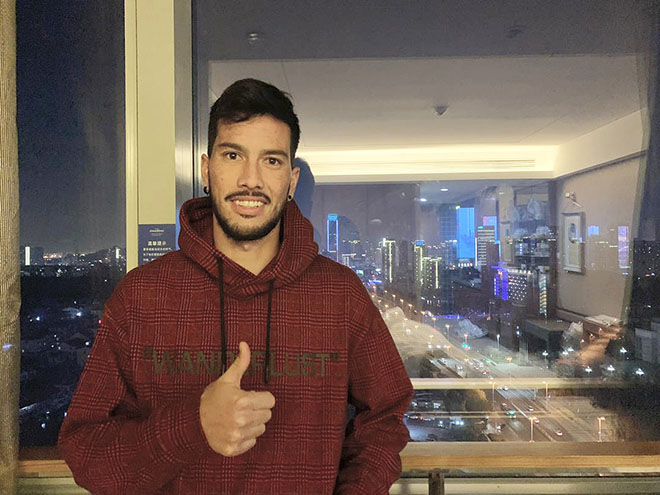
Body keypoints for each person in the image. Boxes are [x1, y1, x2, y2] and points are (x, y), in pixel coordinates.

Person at [58, 78, 413, 494]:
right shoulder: (141, 296)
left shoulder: (341, 295)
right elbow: (87, 454)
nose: (250, 179)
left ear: (292, 181)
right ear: (207, 170)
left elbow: (385, 420)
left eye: (271, 160)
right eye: (233, 155)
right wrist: (193, 426)